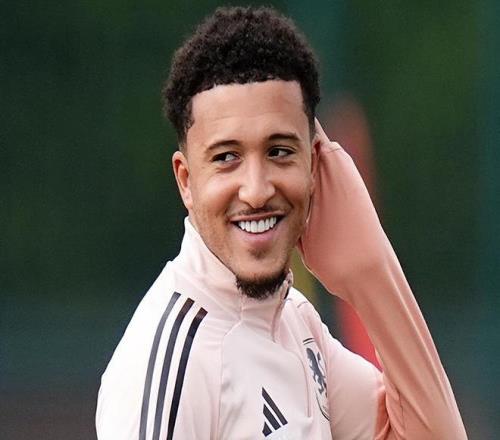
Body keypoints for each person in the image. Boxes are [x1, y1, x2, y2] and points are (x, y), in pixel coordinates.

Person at [96, 6, 467, 439]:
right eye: (226, 157)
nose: (256, 191)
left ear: (314, 165)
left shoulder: (296, 324)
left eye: (279, 151)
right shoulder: (172, 364)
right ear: (186, 181)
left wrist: (371, 272)